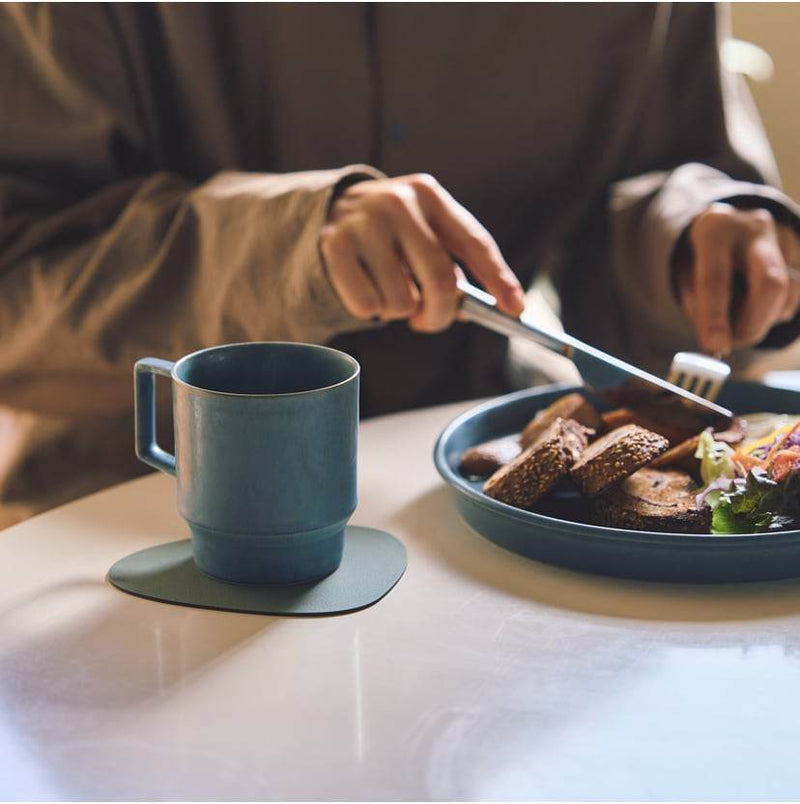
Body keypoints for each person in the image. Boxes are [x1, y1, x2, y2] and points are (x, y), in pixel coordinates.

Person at [1, 3, 799, 529]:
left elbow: (656, 201)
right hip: (132, 510)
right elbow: (19, 296)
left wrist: (687, 244)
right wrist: (285, 247)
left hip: (488, 519)